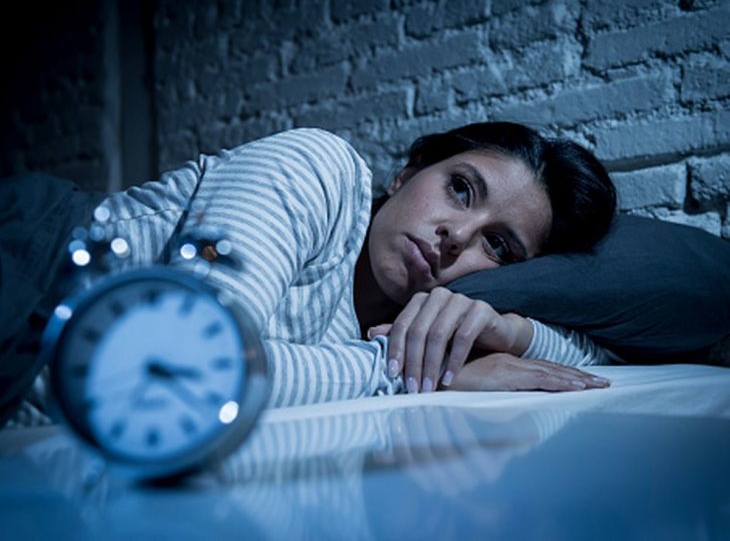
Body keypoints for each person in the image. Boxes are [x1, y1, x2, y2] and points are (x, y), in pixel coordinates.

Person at [4, 121, 616, 424]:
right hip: (32, 262)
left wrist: (508, 333)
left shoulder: (421, 321)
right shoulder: (320, 170)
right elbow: (190, 367)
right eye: (459, 189)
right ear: (404, 176)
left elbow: (597, 358)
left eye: (499, 247)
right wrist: (416, 377)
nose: (456, 235)